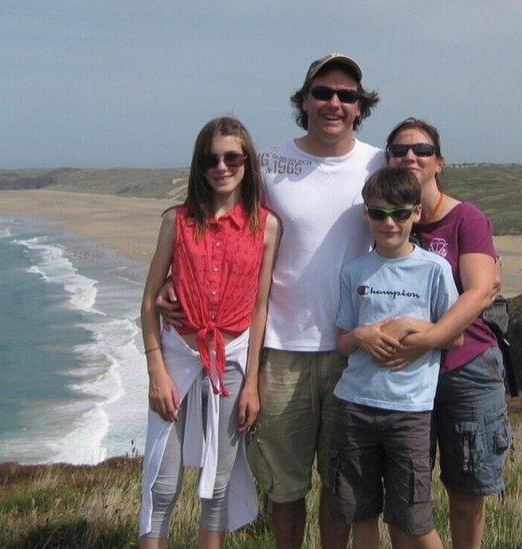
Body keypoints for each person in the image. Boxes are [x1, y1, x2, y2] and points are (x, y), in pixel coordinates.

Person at [157, 52, 383, 549]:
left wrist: (481, 260)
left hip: (353, 351)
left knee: (342, 485)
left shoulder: (378, 162)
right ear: (304, 100)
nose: (334, 103)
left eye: (347, 95)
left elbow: (419, 217)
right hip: (279, 352)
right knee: (286, 488)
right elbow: (219, 227)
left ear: (361, 107)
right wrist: (174, 284)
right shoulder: (270, 164)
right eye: (323, 92)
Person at [137, 116, 281, 549]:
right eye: (211, 158)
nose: (222, 166)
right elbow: (148, 304)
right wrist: (156, 372)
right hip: (178, 356)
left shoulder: (266, 226)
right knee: (161, 481)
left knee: (217, 483)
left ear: (247, 162)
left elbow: (260, 308)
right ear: (199, 166)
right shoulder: (176, 221)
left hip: (232, 361)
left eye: (232, 156)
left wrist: (252, 382)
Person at [384, 118, 510, 549]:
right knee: (405, 493)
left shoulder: (466, 219)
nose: (410, 157)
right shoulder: (387, 218)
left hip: (466, 367)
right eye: (400, 150)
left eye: (421, 150)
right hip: (406, 375)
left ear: (439, 161)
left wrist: (431, 338)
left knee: (467, 490)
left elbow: (479, 293)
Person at [333, 167, 462, 549]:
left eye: (400, 214)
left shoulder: (435, 270)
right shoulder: (353, 271)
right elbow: (342, 341)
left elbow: (454, 338)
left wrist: (411, 326)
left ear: (416, 214)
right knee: (360, 514)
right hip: (355, 405)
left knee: (414, 518)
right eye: (378, 213)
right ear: (366, 214)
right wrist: (361, 336)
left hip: (410, 410)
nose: (389, 223)